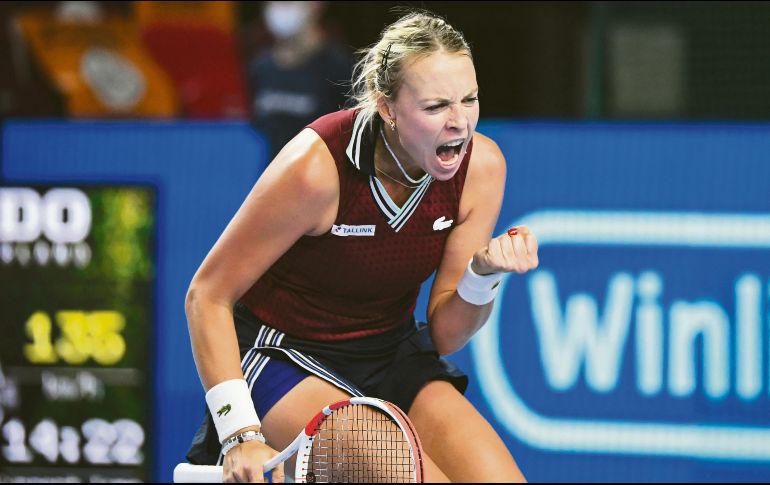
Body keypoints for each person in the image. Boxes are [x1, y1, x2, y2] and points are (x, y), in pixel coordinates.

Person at [185, 10, 538, 483]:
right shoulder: (316, 168)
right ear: (387, 108)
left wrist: (483, 275)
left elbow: (446, 335)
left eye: (469, 99)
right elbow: (207, 295)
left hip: (388, 354)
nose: (460, 122)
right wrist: (238, 432)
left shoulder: (482, 168)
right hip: (284, 357)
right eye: (436, 106)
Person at [248, 1, 352, 158]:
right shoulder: (260, 68)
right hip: (272, 171)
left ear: (316, 5)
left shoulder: (340, 69)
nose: (281, 7)